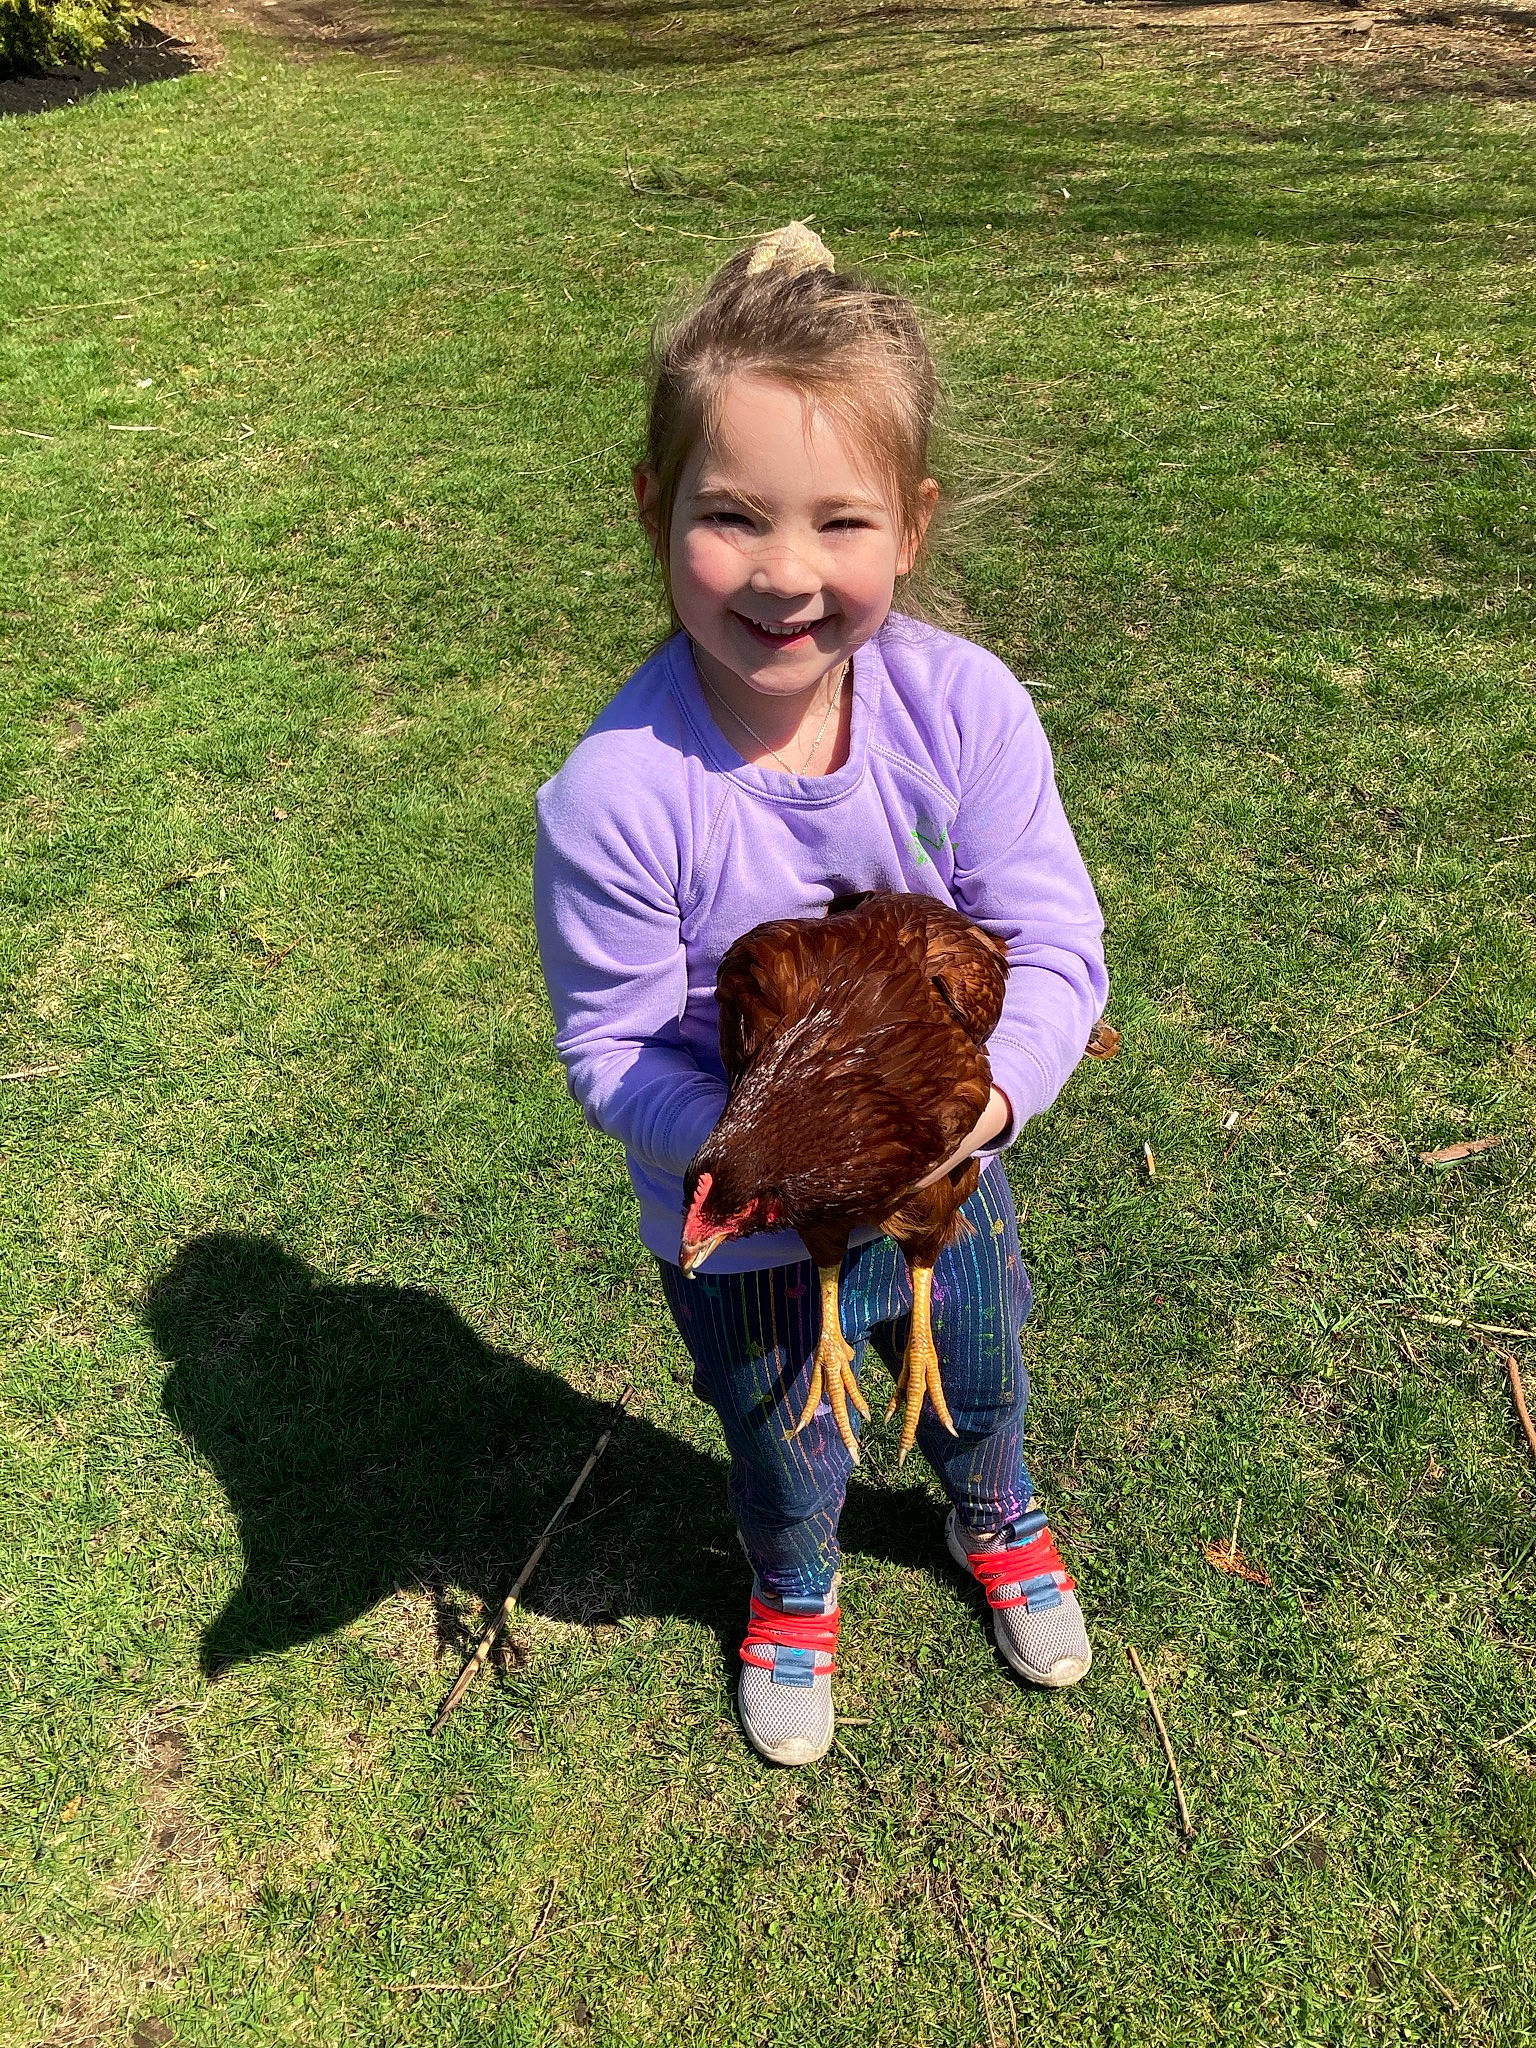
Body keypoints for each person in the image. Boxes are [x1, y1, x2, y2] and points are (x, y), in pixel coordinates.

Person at [534, 223, 1108, 1766]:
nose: (788, 575)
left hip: (944, 1180)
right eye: (731, 518)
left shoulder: (961, 711)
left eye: (839, 521)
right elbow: (605, 1050)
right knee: (783, 1435)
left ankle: (1000, 1512)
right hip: (737, 1225)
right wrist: (755, 1152)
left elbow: (1055, 947)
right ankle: (794, 1586)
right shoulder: (615, 799)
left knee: (977, 1368)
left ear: (910, 529)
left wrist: (975, 1106)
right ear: (655, 513)